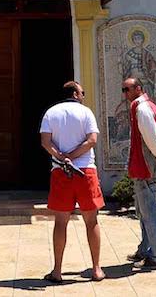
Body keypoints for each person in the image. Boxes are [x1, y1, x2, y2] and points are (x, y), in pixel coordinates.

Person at [40, 81, 106, 283]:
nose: (83, 95)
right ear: (75, 94)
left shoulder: (51, 113)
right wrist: (74, 155)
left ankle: (57, 271)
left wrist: (62, 157)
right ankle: (96, 269)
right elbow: (92, 140)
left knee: (61, 222)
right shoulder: (86, 113)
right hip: (85, 171)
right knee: (91, 221)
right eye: (82, 92)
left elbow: (45, 142)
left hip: (61, 172)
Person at [122, 76, 156, 271]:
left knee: (149, 212)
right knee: (143, 211)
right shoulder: (146, 106)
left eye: (127, 90)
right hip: (143, 166)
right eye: (123, 90)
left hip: (145, 167)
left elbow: (153, 140)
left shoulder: (142, 109)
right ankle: (145, 249)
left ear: (138, 88)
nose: (125, 94)